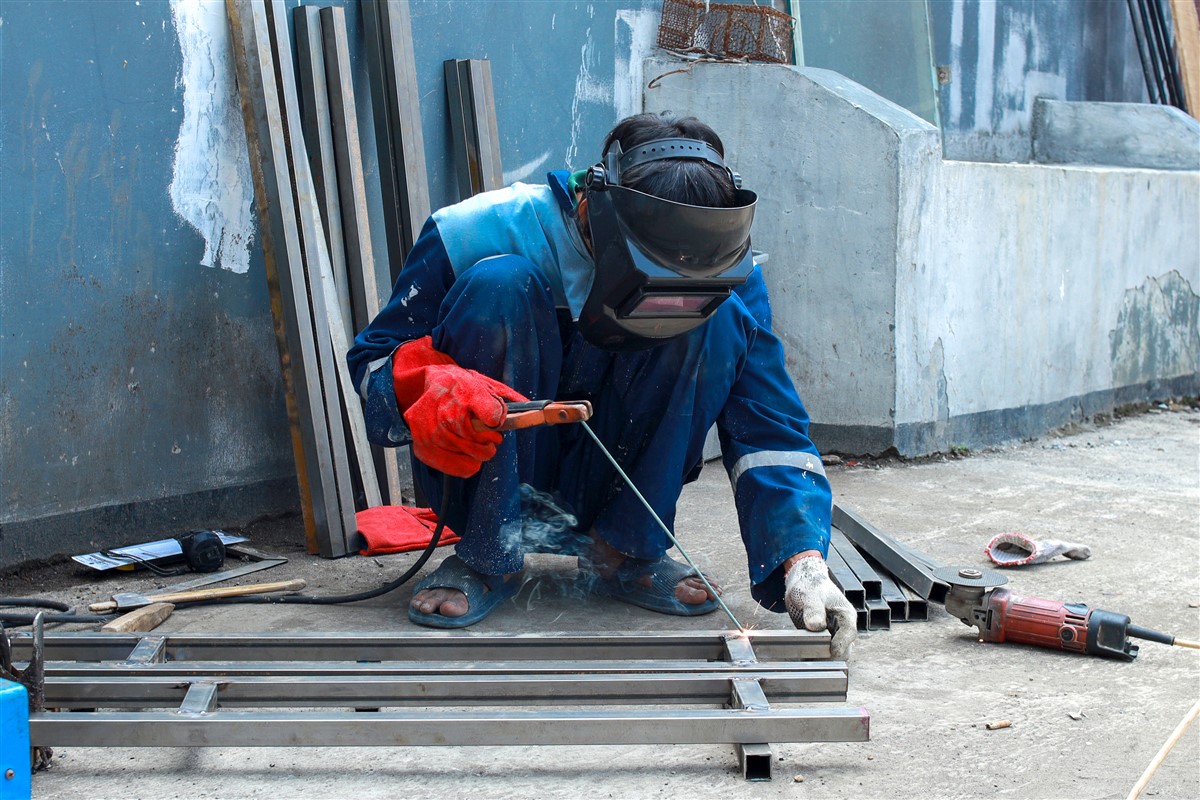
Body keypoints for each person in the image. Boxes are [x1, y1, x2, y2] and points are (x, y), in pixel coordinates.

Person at [347, 112, 857, 658]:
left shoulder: (724, 268)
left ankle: (625, 548)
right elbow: (374, 371)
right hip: (503, 456)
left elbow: (768, 422)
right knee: (499, 284)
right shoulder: (474, 231)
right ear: (593, 205)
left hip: (626, 466)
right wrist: (433, 383)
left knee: (723, 317)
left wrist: (802, 560)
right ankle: (485, 553)